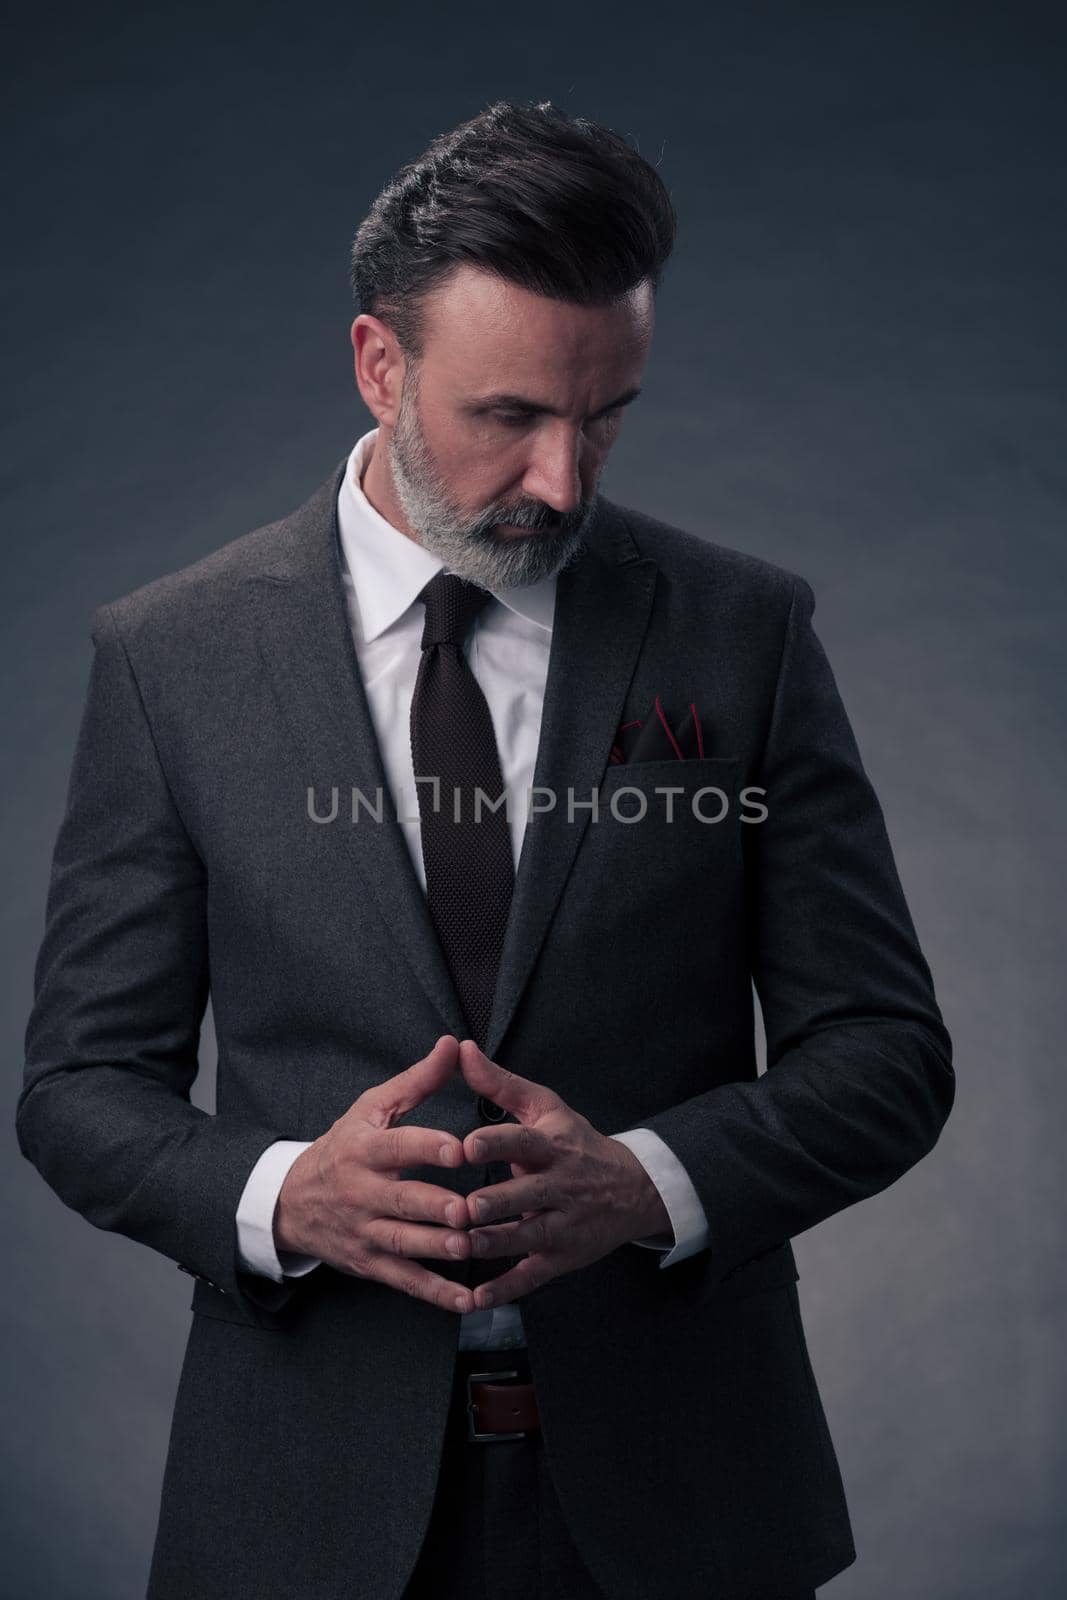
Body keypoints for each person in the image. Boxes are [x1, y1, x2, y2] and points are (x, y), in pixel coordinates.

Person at [18, 98, 954, 1600]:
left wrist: (651, 1181)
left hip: (690, 1502)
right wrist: (276, 1199)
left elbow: (890, 1051)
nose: (566, 483)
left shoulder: (742, 634)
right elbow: (76, 1089)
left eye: (607, 415)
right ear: (380, 363)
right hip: (297, 1505)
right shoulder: (168, 658)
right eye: (511, 416)